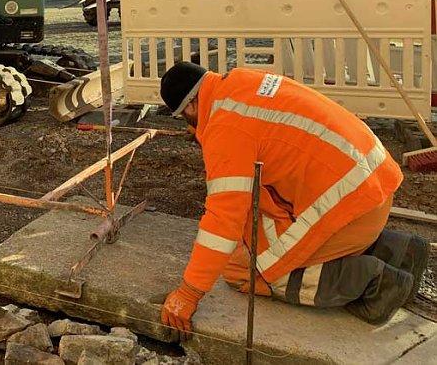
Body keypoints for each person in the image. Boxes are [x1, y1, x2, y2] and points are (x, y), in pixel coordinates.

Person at [157, 61, 428, 340]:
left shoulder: (224, 127)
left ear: (190, 107)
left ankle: (378, 282)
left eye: (183, 118)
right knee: (257, 232)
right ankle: (395, 249)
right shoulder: (244, 80)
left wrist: (189, 293)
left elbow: (223, 220)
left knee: (249, 269)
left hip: (351, 208)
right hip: (373, 186)